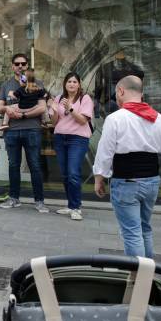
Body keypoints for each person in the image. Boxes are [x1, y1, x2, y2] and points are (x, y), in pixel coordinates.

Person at [93, 75, 161, 258]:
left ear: (121, 91)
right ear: (141, 94)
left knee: (132, 233)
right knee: (144, 229)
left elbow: (105, 152)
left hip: (126, 182)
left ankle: (138, 279)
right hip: (151, 182)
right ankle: (146, 275)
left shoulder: (115, 119)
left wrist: (99, 178)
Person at [0, 53, 49, 212]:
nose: (20, 66)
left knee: (34, 165)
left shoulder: (37, 83)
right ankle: (14, 199)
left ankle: (39, 201)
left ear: (27, 66)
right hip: (12, 131)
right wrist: (8, 110)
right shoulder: (6, 85)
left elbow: (42, 107)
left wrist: (23, 114)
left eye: (23, 64)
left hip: (32, 129)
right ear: (12, 66)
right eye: (17, 64)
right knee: (13, 165)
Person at [51, 72, 94, 222]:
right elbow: (54, 122)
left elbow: (83, 120)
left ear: (79, 84)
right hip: (60, 138)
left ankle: (76, 207)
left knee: (73, 173)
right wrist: (55, 110)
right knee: (65, 174)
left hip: (78, 139)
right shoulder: (58, 98)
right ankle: (70, 205)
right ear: (65, 83)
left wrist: (70, 108)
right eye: (69, 81)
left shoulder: (85, 99)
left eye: (75, 82)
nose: (71, 84)